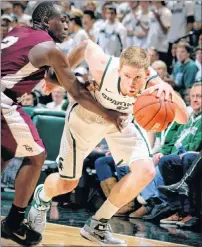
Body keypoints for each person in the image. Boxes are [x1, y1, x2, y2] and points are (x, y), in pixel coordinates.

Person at [28, 39, 188, 246]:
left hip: (121, 121)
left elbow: (183, 118)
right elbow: (85, 45)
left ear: (147, 74)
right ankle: (42, 197)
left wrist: (169, 92)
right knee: (68, 183)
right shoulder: (103, 66)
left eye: (138, 78)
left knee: (146, 170)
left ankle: (98, 223)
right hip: (87, 117)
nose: (132, 83)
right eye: (127, 76)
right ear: (119, 69)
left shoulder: (153, 83)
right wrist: (60, 75)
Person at [1, 2, 123, 246]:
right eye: (63, 20)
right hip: (4, 99)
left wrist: (77, 81)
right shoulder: (49, 48)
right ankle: (13, 224)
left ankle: (12, 223)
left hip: (6, 95)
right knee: (37, 156)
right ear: (47, 21)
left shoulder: (18, 32)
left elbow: (48, 76)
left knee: (4, 155)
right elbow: (76, 94)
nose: (67, 26)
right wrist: (109, 112)